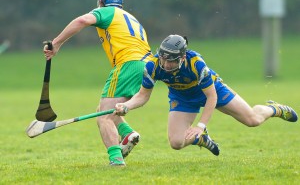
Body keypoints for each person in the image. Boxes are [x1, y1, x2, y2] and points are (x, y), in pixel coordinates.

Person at [114, 34, 298, 156]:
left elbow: (211, 97)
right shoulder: (152, 67)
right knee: (176, 143)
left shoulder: (197, 64)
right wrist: (127, 106)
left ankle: (275, 109)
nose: (167, 65)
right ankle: (201, 139)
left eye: (172, 61)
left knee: (253, 120)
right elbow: (142, 95)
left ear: (182, 57)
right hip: (182, 97)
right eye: (163, 59)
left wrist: (201, 125)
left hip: (212, 91)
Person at [44, 0, 152, 166]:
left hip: (128, 65)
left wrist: (56, 43)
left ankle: (116, 160)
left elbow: (81, 21)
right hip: (148, 65)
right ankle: (127, 134)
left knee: (103, 116)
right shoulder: (130, 17)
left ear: (101, 0)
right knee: (105, 108)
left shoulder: (107, 11)